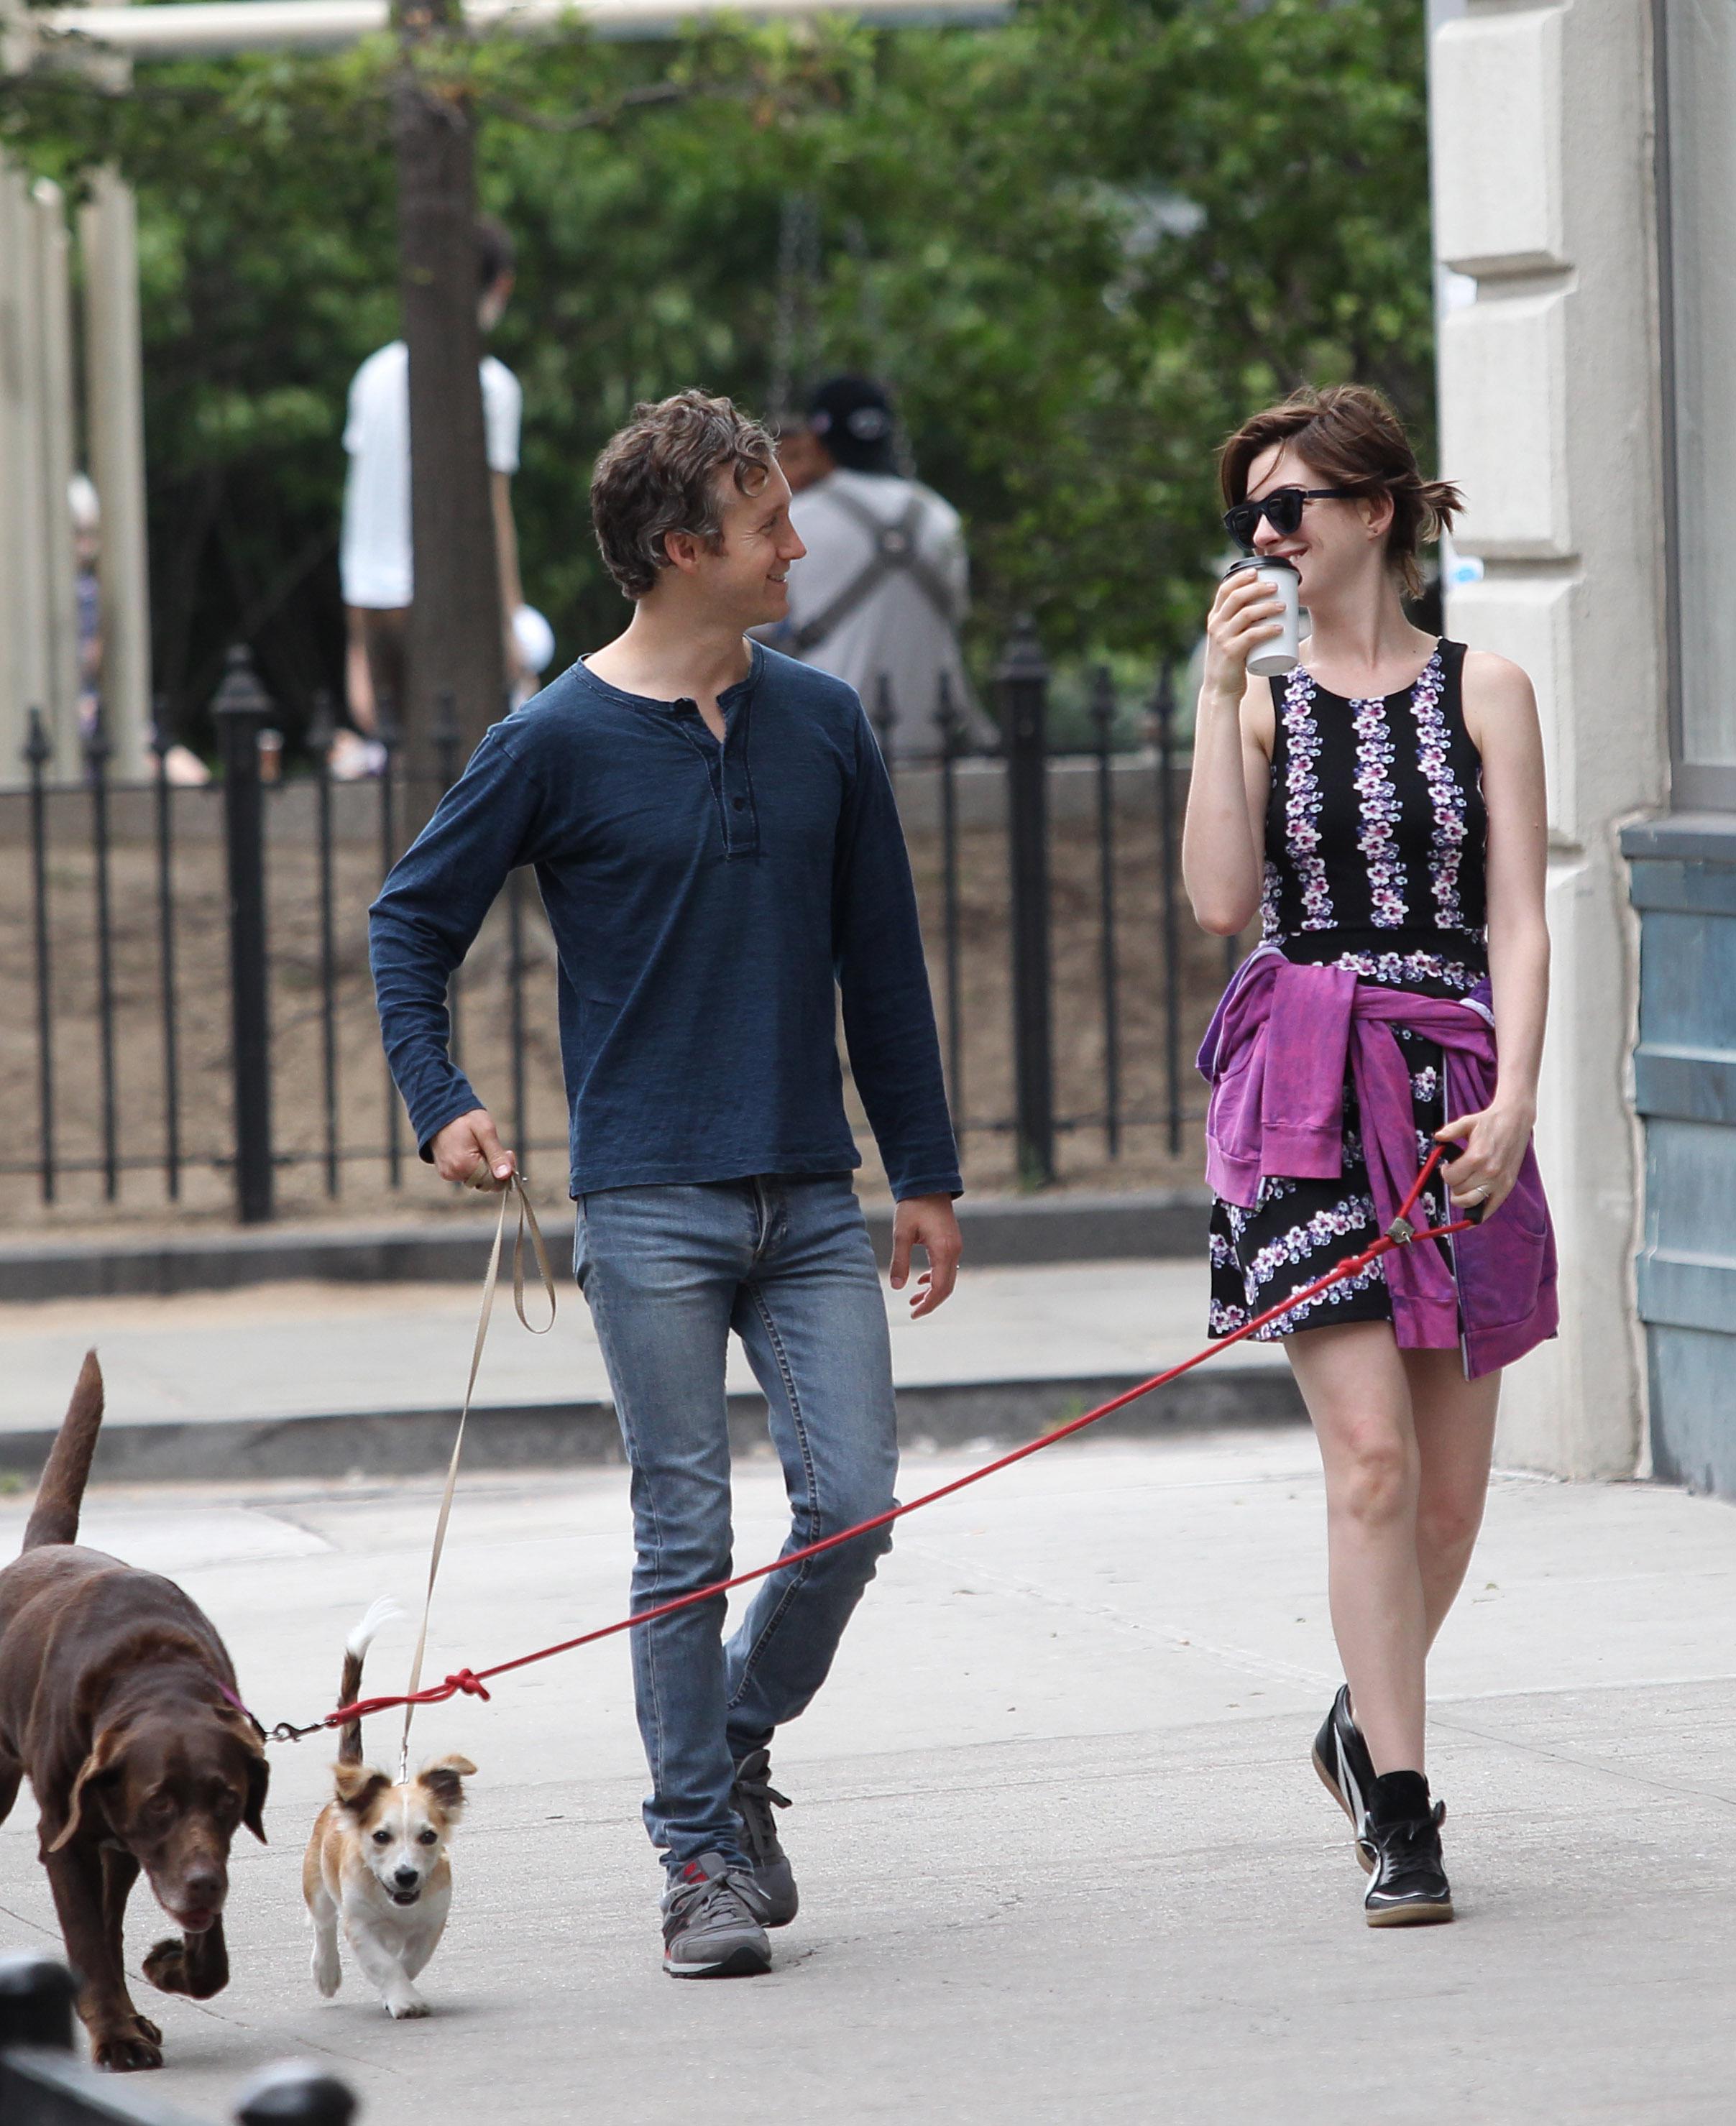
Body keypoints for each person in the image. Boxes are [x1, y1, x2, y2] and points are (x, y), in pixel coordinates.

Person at [369, 390, 963, 1979]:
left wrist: (924, 1171)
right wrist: (441, 1101)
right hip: (645, 1205)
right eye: (769, 523)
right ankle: (697, 1858)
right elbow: (409, 922)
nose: (800, 545)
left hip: (810, 1196)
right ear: (683, 549)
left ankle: (727, 1734)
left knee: (853, 1508)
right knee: (683, 1535)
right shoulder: (550, 739)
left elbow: (883, 963)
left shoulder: (823, 721)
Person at [1182, 384, 1556, 1928]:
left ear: (1376, 510)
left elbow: (1519, 917)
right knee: (1373, 1461)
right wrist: (1215, 695)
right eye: (1249, 515)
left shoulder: (1487, 688)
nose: (1266, 536)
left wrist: (1517, 1097)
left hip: (1454, 1089)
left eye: (1290, 507)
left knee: (1448, 1505)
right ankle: (1403, 1811)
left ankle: (1357, 1719)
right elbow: (1220, 904)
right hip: (1305, 1097)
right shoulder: (1261, 704)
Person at [334, 216, 527, 778]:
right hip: (442, 600)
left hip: (370, 599)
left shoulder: (373, 373)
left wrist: (354, 634)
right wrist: (509, 622)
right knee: (464, 762)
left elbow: (360, 505)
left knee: (401, 765)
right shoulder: (489, 385)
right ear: (501, 285)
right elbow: (492, 513)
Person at [771, 376, 988, 759]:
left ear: (816, 442)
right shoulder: (940, 516)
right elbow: (957, 614)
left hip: (833, 750)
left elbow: (752, 632)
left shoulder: (794, 520)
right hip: (931, 747)